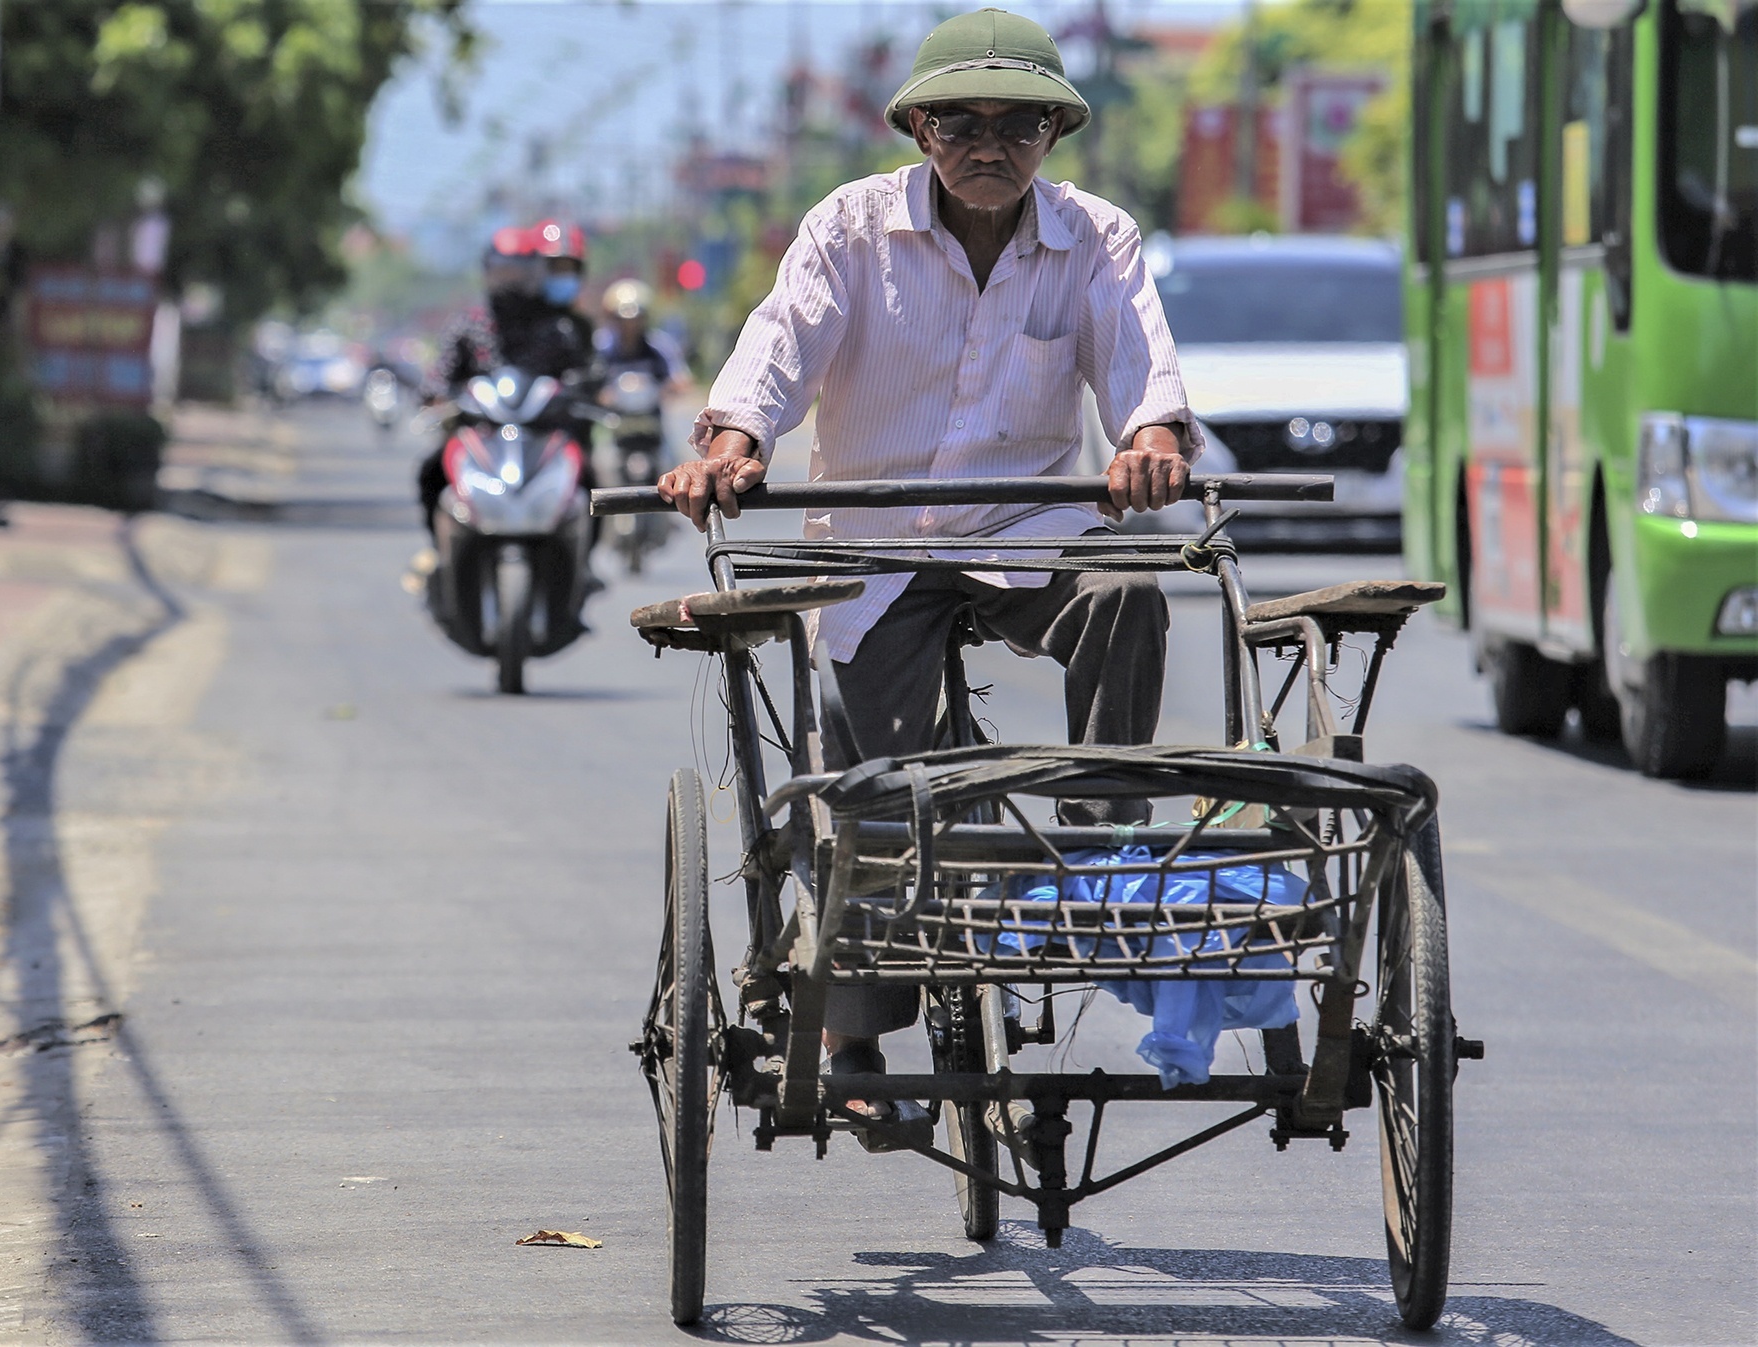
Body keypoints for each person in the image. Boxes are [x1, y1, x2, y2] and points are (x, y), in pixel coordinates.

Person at [656, 8, 1202, 1139]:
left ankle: (1097, 853)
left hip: (1023, 531)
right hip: (875, 543)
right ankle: (855, 1032)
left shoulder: (1097, 237)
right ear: (917, 128)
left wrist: (1151, 439)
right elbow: (777, 347)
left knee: (1130, 592)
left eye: (1017, 123)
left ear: (1053, 133)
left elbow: (1141, 366)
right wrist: (736, 441)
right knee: (866, 794)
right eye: (960, 120)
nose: (987, 144)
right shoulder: (849, 229)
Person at [416, 222, 595, 535]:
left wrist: (577, 391)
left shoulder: (556, 328)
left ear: (535, 274)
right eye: (504, 272)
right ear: (488, 272)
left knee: (591, 479)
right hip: (479, 437)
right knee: (430, 472)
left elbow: (583, 372)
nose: (511, 281)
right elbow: (439, 376)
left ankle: (583, 565)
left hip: (542, 436)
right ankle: (440, 555)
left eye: (520, 272)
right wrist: (439, 396)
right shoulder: (469, 325)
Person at [593, 280, 691, 395]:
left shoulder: (659, 345)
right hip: (611, 411)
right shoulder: (601, 346)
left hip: (651, 411)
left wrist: (666, 389)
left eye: (636, 319)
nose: (630, 326)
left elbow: (681, 378)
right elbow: (590, 379)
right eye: (622, 320)